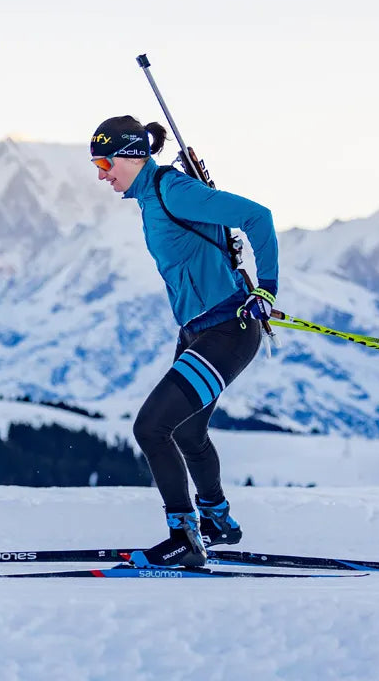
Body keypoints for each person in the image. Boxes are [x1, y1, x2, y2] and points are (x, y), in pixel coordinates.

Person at [90, 115, 279, 567]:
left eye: (104, 161)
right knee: (189, 431)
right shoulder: (151, 196)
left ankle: (185, 537)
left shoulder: (172, 190)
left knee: (151, 428)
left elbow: (258, 216)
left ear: (132, 155)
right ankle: (218, 523)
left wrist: (265, 289)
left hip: (227, 330)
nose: (100, 173)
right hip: (198, 332)